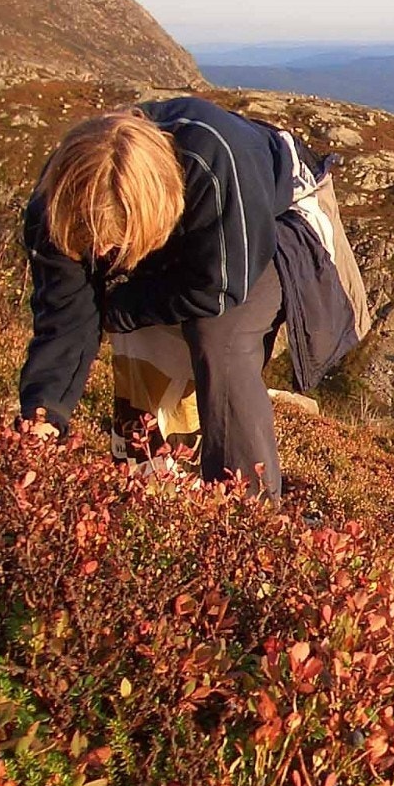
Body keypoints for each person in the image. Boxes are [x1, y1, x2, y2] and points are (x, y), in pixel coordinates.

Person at [18, 96, 295, 498]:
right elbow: (65, 319)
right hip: (182, 227)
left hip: (273, 222)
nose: (103, 255)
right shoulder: (60, 202)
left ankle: (246, 512)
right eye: (96, 247)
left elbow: (219, 287)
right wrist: (43, 416)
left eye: (117, 246)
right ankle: (149, 489)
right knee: (138, 332)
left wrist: (122, 309)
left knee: (221, 339)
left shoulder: (214, 163)